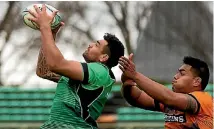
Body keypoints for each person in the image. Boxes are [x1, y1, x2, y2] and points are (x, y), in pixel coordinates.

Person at [28, 4, 125, 129]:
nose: (90, 45)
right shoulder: (86, 73)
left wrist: (45, 27)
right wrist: (50, 34)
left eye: (96, 45)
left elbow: (56, 64)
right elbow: (44, 70)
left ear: (103, 58)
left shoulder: (100, 71)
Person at [119, 53, 213, 129]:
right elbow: (137, 98)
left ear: (196, 81)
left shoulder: (202, 99)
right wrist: (127, 83)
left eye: (182, 74)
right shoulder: (173, 100)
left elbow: (169, 98)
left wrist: (135, 75)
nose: (175, 76)